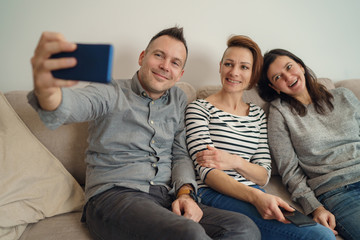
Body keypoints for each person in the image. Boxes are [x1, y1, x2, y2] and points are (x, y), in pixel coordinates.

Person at [28, 27, 261, 240]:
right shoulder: (110, 90)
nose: (165, 66)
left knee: (243, 228)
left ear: (180, 74)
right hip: (114, 197)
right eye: (159, 55)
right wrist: (47, 90)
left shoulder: (178, 100)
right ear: (142, 57)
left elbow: (180, 155)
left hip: (164, 199)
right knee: (188, 233)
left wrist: (185, 194)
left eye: (175, 62)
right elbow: (71, 105)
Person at [185, 36, 335, 240]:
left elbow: (263, 174)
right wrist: (256, 196)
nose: (234, 72)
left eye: (244, 67)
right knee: (319, 237)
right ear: (220, 67)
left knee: (322, 233)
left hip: (254, 192)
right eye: (228, 64)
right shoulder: (199, 108)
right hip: (212, 194)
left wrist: (234, 161)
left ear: (253, 74)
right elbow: (208, 172)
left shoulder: (257, 114)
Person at [257, 48, 360, 240]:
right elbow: (289, 171)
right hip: (338, 192)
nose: (288, 77)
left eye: (289, 67)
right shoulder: (280, 113)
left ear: (301, 66)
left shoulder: (344, 95)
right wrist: (315, 207)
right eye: (278, 77)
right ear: (274, 87)